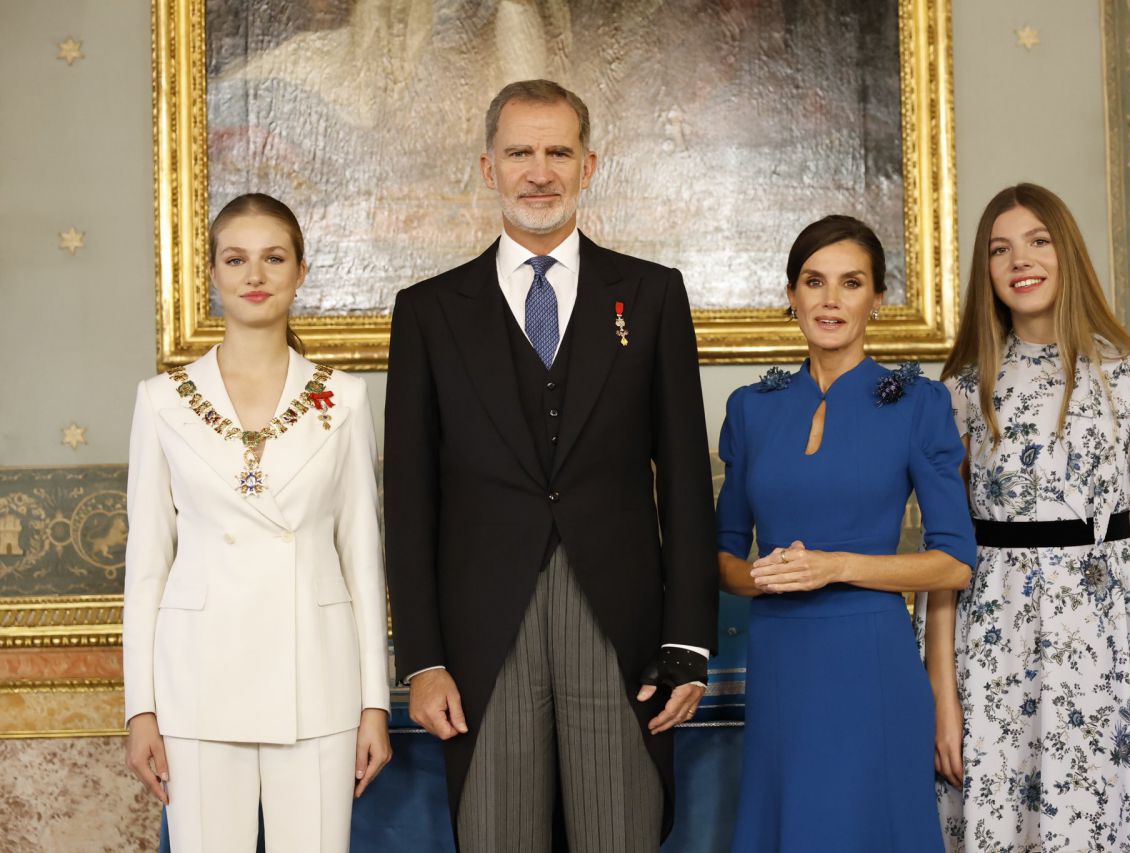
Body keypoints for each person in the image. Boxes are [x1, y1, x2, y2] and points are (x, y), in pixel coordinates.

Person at [383, 80, 718, 852]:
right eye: (520, 153)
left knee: (620, 832)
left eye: (558, 152)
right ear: (488, 167)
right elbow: (409, 499)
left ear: (588, 165)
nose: (540, 172)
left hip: (622, 628)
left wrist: (689, 641)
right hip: (481, 631)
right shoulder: (428, 312)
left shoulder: (653, 295)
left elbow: (685, 485)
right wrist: (422, 657)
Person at [924, 183, 1130, 851]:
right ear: (986, 270)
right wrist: (942, 695)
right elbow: (944, 557)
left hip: (1111, 644)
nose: (1020, 260)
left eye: (1038, 241)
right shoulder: (962, 392)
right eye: (1000, 249)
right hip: (995, 650)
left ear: (1066, 251)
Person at [122, 193, 392, 852]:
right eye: (236, 259)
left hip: (318, 677)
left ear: (301, 271)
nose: (255, 275)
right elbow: (148, 564)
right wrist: (140, 708)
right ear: (212, 273)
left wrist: (374, 703)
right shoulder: (161, 401)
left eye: (273, 258)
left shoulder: (344, 399)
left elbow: (362, 558)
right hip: (197, 678)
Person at [716, 215, 977, 852]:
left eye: (851, 283)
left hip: (872, 662)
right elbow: (722, 557)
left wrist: (834, 566)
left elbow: (954, 562)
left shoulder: (918, 404)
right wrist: (767, 578)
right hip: (780, 662)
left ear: (876, 299)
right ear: (791, 294)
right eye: (814, 282)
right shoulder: (751, 408)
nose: (830, 299)